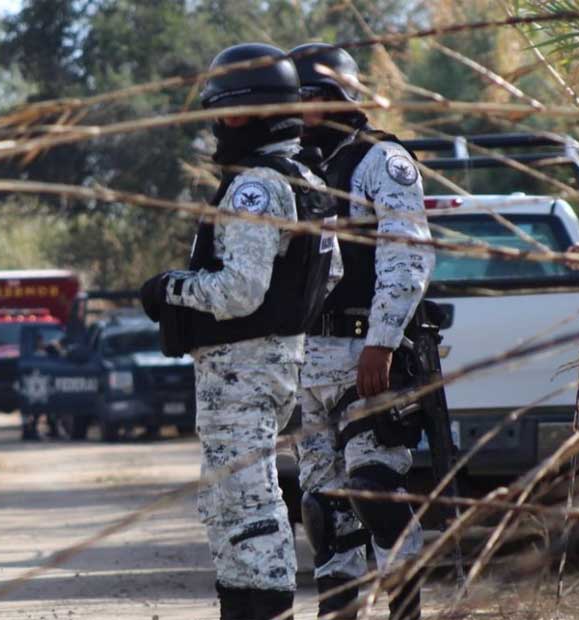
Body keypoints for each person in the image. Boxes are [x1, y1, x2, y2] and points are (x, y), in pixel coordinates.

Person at [140, 42, 334, 620]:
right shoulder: (305, 177)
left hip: (244, 368)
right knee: (227, 499)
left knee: (249, 503)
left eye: (223, 113)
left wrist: (166, 288)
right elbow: (332, 273)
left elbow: (239, 290)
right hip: (269, 362)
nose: (218, 127)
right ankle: (242, 605)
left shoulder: (257, 185)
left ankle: (265, 608)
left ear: (248, 113)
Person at [288, 42, 436, 620]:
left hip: (367, 351)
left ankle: (405, 608)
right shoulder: (296, 166)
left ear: (335, 96)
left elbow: (406, 253)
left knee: (374, 486)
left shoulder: (381, 160)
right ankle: (340, 611)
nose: (297, 112)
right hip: (313, 355)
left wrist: (382, 340)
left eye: (306, 98)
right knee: (324, 507)